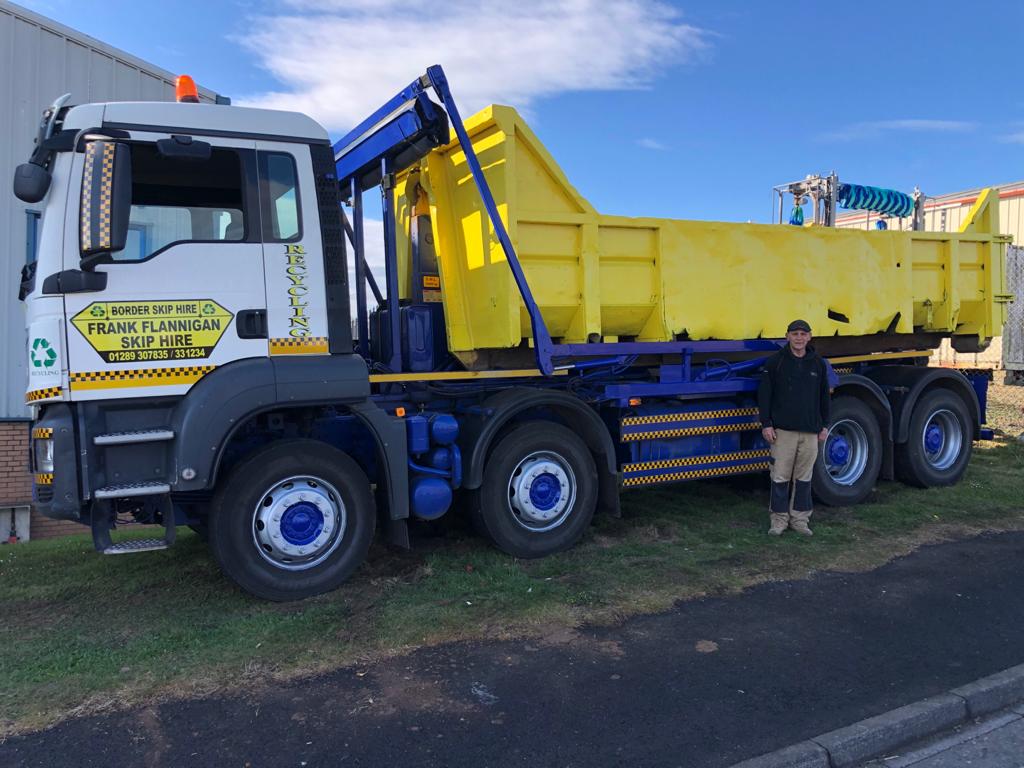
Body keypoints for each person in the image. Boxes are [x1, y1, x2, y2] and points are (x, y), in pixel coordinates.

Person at [757, 319, 830, 536]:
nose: (799, 338)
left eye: (803, 334)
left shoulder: (818, 364)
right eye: (795, 334)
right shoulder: (776, 362)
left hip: (810, 432)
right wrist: (766, 424)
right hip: (783, 432)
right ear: (787, 336)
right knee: (780, 477)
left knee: (804, 478)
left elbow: (824, 397)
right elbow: (765, 396)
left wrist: (825, 424)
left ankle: (800, 520)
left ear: (809, 337)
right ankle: (778, 521)